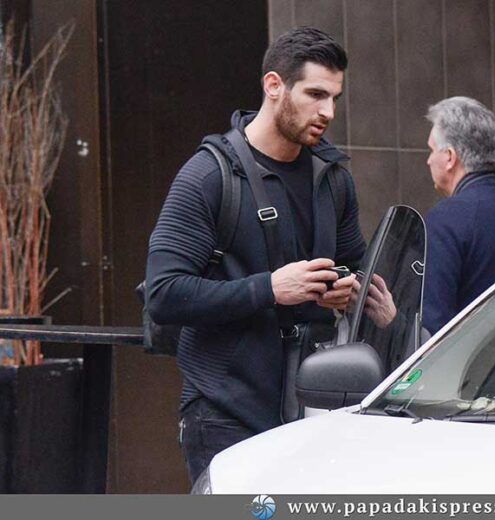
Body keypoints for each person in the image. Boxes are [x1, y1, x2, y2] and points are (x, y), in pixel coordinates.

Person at [144, 27, 365, 483]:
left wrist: (347, 289)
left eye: (334, 98)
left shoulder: (334, 179)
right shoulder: (209, 176)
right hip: (224, 415)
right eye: (315, 94)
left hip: (314, 414)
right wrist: (270, 289)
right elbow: (163, 294)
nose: (328, 112)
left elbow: (355, 265)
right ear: (274, 85)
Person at [422, 97, 495, 334]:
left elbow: (432, 326)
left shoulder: (444, 220)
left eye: (432, 150)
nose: (428, 160)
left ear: (450, 157)